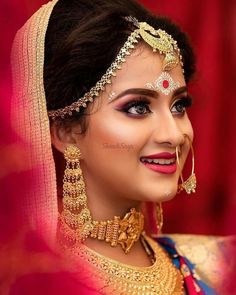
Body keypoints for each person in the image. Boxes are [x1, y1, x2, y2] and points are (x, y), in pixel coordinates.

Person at [8, 0, 233, 294]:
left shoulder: (212, 266)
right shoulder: (35, 278)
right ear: (66, 132)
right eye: (138, 107)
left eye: (179, 105)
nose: (174, 134)